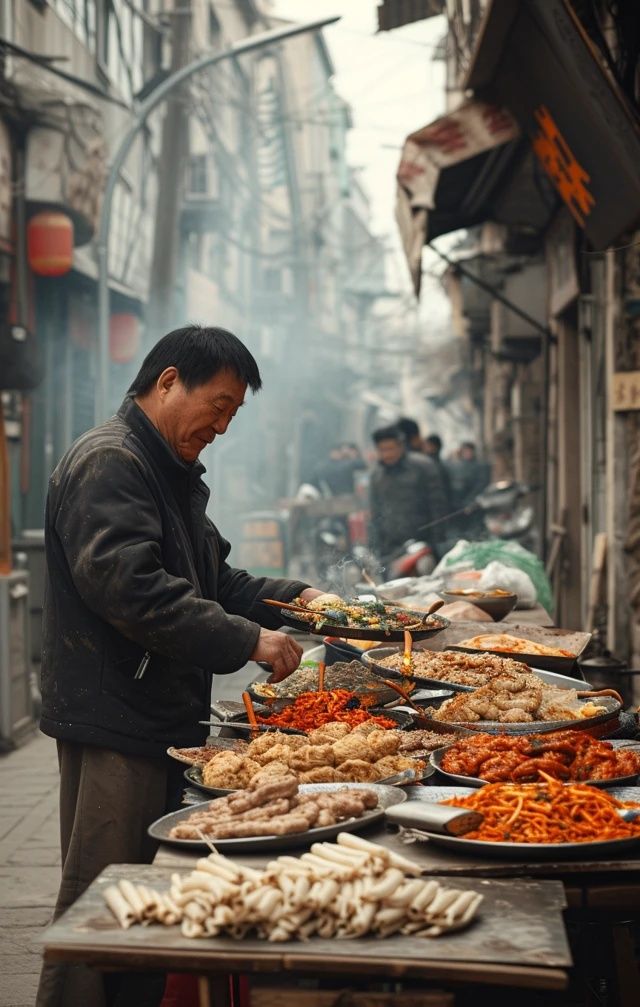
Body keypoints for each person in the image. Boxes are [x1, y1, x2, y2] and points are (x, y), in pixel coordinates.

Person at [36, 325, 322, 1007]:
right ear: (168, 382)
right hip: (116, 721)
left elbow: (213, 580)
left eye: (233, 414)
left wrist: (300, 600)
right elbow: (130, 589)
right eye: (218, 405)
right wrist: (249, 641)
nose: (222, 426)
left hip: (160, 714)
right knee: (103, 903)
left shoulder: (168, 472)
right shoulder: (113, 463)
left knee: (149, 903)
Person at [368, 424, 446, 570]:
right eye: (382, 450)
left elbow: (438, 506)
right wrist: (374, 546)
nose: (387, 455)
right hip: (391, 548)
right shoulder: (376, 476)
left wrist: (438, 543)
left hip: (423, 543)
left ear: (401, 446)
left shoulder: (423, 466)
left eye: (390, 449)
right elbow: (375, 512)